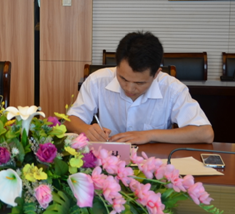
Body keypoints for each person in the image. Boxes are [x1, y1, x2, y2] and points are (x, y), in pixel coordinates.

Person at [66, 31, 214, 145]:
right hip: (109, 160)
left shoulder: (172, 88)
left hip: (154, 162)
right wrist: (87, 129)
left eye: (140, 83)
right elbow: (70, 119)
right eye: (123, 78)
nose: (129, 88)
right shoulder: (97, 80)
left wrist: (148, 135)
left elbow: (205, 133)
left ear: (156, 73)